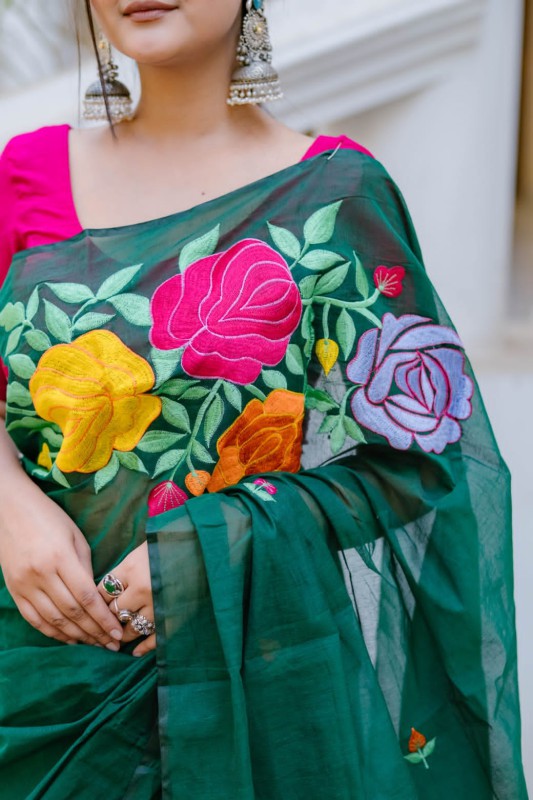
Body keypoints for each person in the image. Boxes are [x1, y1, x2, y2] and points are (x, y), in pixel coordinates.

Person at [0, 1, 528, 798]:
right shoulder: (25, 177)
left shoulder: (333, 196)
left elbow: (417, 458)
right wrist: (9, 503)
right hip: (29, 668)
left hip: (244, 685)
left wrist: (214, 544)